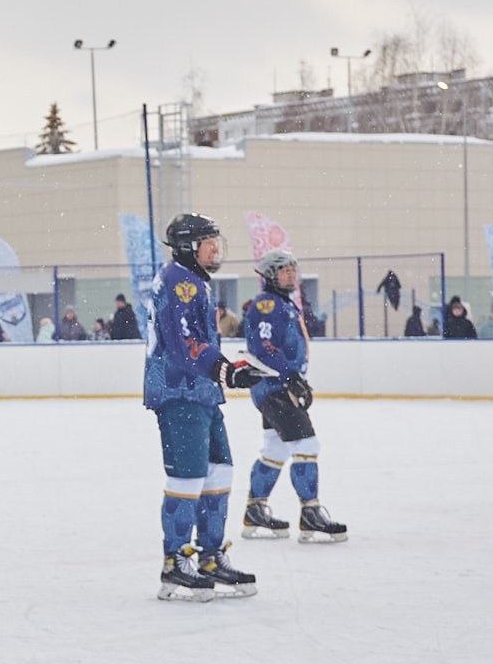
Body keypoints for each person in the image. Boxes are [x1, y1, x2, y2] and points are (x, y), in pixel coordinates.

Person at [145, 213, 259, 602]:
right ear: (188, 247)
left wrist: (228, 371)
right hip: (180, 391)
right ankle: (175, 560)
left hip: (202, 391)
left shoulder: (193, 281)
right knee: (189, 477)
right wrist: (224, 369)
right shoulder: (179, 283)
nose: (216, 248)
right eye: (208, 242)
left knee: (219, 470)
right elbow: (183, 344)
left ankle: (210, 556)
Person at [239, 250, 348, 545]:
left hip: (277, 385)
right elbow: (263, 348)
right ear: (269, 275)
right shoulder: (266, 305)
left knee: (275, 448)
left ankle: (255, 511)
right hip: (274, 387)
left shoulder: (284, 304)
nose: (290, 275)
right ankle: (310, 513)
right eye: (283, 271)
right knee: (307, 444)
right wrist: (291, 377)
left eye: (292, 270)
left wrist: (294, 377)